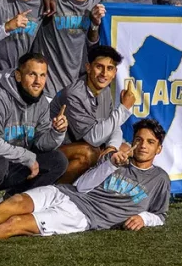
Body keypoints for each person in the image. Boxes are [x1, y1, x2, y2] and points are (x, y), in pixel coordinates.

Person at [0, 118, 170, 244]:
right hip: (67, 193)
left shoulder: (159, 179)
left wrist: (143, 217)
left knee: (17, 223)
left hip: (83, 216)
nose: (142, 145)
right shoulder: (116, 160)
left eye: (150, 142)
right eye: (139, 140)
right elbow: (81, 186)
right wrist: (111, 163)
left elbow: (160, 215)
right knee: (16, 202)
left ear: (158, 149)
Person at [0, 52, 69, 211]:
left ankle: (8, 202)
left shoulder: (41, 102)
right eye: (32, 74)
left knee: (58, 160)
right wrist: (26, 156)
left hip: (13, 162)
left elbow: (41, 143)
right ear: (18, 76)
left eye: (42, 75)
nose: (38, 81)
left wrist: (57, 132)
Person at [49, 45, 140, 181]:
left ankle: (95, 194)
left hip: (83, 146)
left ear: (115, 72)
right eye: (99, 67)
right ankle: (57, 192)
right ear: (88, 67)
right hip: (52, 152)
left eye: (109, 68)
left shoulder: (105, 91)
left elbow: (113, 127)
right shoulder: (73, 94)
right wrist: (124, 108)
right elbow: (93, 138)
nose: (104, 74)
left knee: (126, 149)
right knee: (89, 153)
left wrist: (111, 149)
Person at [32, 0, 105, 95]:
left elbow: (93, 45)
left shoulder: (98, 0)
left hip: (76, 85)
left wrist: (95, 24)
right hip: (46, 85)